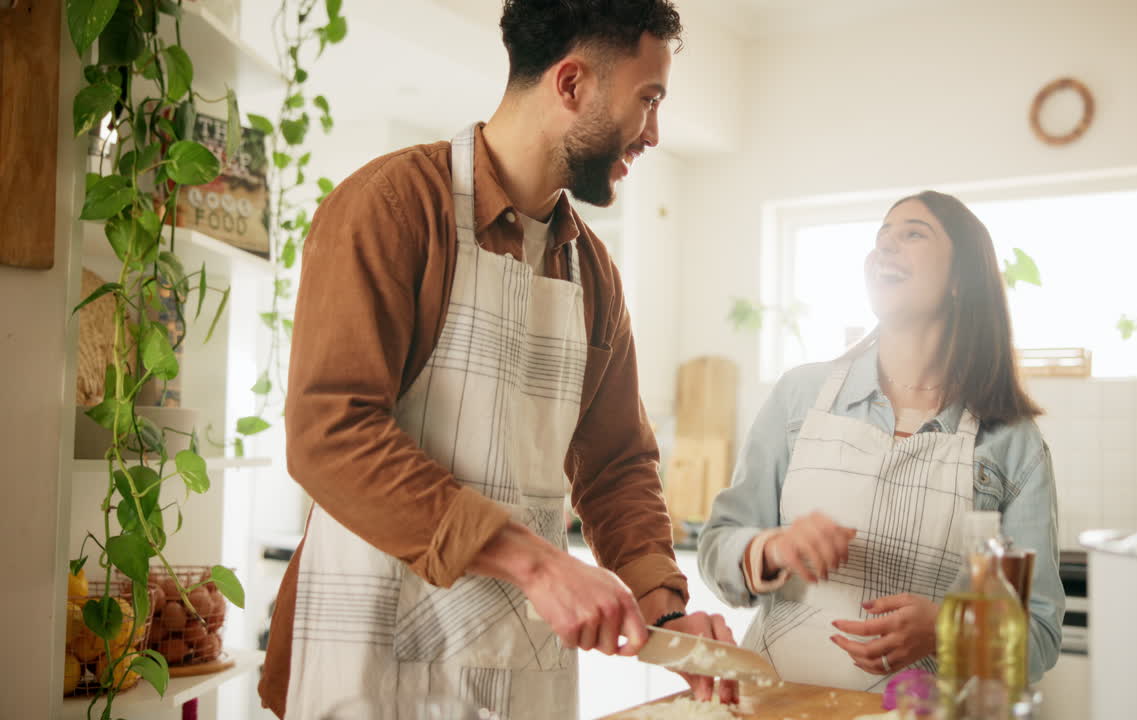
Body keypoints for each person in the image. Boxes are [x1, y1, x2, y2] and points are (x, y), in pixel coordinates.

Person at [259, 2, 738, 718]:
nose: (655, 133)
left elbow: (616, 468)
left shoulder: (592, 274)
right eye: (649, 100)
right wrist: (539, 563)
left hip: (520, 668)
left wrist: (664, 614)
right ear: (571, 85)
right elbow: (331, 433)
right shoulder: (390, 209)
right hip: (369, 656)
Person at [698, 191, 1065, 692]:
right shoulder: (799, 396)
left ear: (962, 279)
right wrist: (771, 547)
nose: (884, 247)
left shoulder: (1010, 442)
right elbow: (718, 545)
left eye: (913, 233)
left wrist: (946, 630)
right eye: (880, 237)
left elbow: (1039, 635)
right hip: (775, 704)